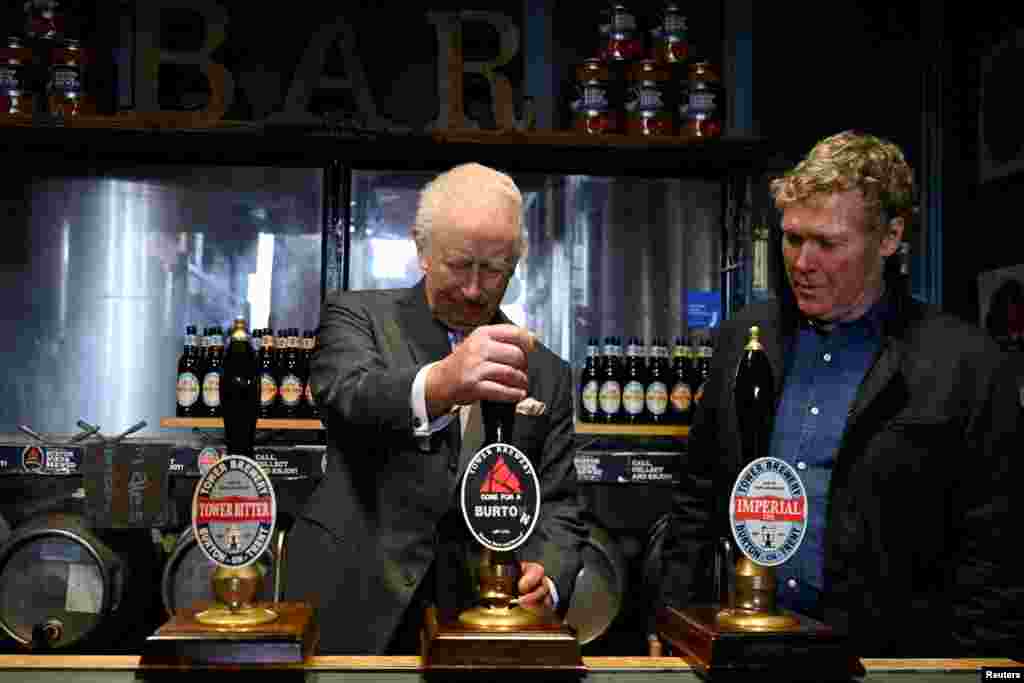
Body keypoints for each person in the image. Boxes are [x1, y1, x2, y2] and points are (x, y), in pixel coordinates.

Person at [659, 131, 1023, 658]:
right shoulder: (745, 338)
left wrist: (973, 670)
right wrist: (673, 628)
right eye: (792, 238)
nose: (802, 262)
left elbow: (994, 554)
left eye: (827, 243)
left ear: (890, 237)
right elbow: (697, 499)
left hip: (886, 660)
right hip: (743, 652)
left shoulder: (966, 364)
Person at [283, 163, 586, 654]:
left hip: (477, 621)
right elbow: (347, 396)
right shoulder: (356, 316)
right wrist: (442, 382)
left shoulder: (547, 371)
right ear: (421, 249)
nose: (473, 289)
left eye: (493, 270)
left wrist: (547, 576)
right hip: (351, 603)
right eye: (459, 265)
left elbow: (557, 504)